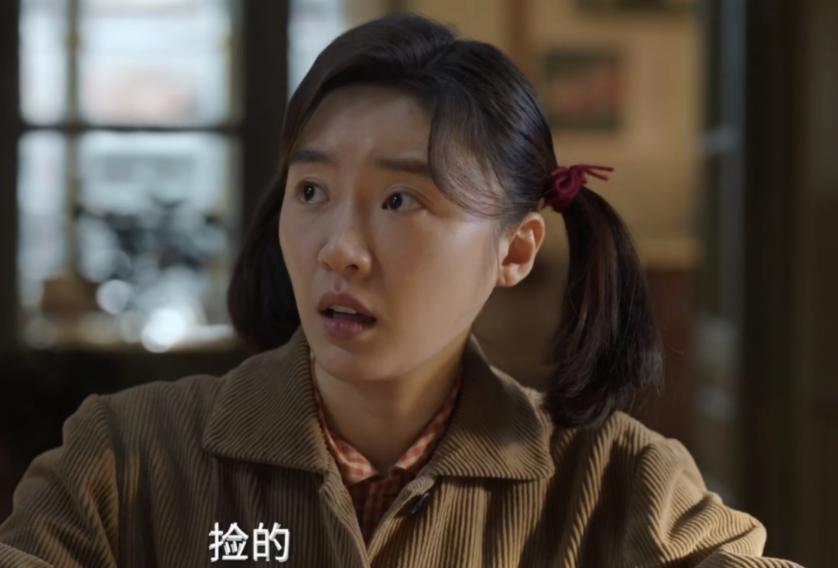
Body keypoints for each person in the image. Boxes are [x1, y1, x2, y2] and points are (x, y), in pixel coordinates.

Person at [0, 13, 802, 568]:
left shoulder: (616, 484)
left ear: (516, 249)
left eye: (399, 201)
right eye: (311, 191)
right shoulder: (127, 458)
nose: (339, 250)